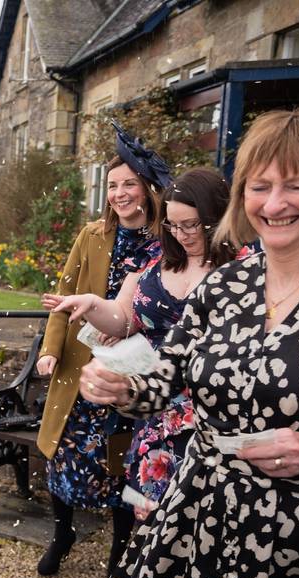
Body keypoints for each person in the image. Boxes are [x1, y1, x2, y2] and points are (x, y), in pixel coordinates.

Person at [75, 107, 299, 578]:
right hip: (200, 509)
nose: (274, 204)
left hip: (297, 533)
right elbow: (167, 380)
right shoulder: (225, 285)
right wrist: (122, 387)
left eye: (296, 186)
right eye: (260, 186)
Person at [43, 168, 235, 519]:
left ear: (216, 216)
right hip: (154, 412)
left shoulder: (241, 272)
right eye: (173, 226)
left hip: (208, 419)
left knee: (197, 522)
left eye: (192, 225)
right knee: (147, 518)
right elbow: (124, 319)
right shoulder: (160, 263)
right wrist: (92, 305)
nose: (182, 235)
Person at [34, 130, 167, 576]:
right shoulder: (92, 235)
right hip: (79, 369)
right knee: (62, 456)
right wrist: (50, 350)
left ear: (147, 188)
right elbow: (65, 293)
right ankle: (63, 533)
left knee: (123, 465)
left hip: (131, 373)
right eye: (112, 186)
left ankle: (119, 552)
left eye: (129, 183)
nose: (120, 193)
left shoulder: (166, 242)